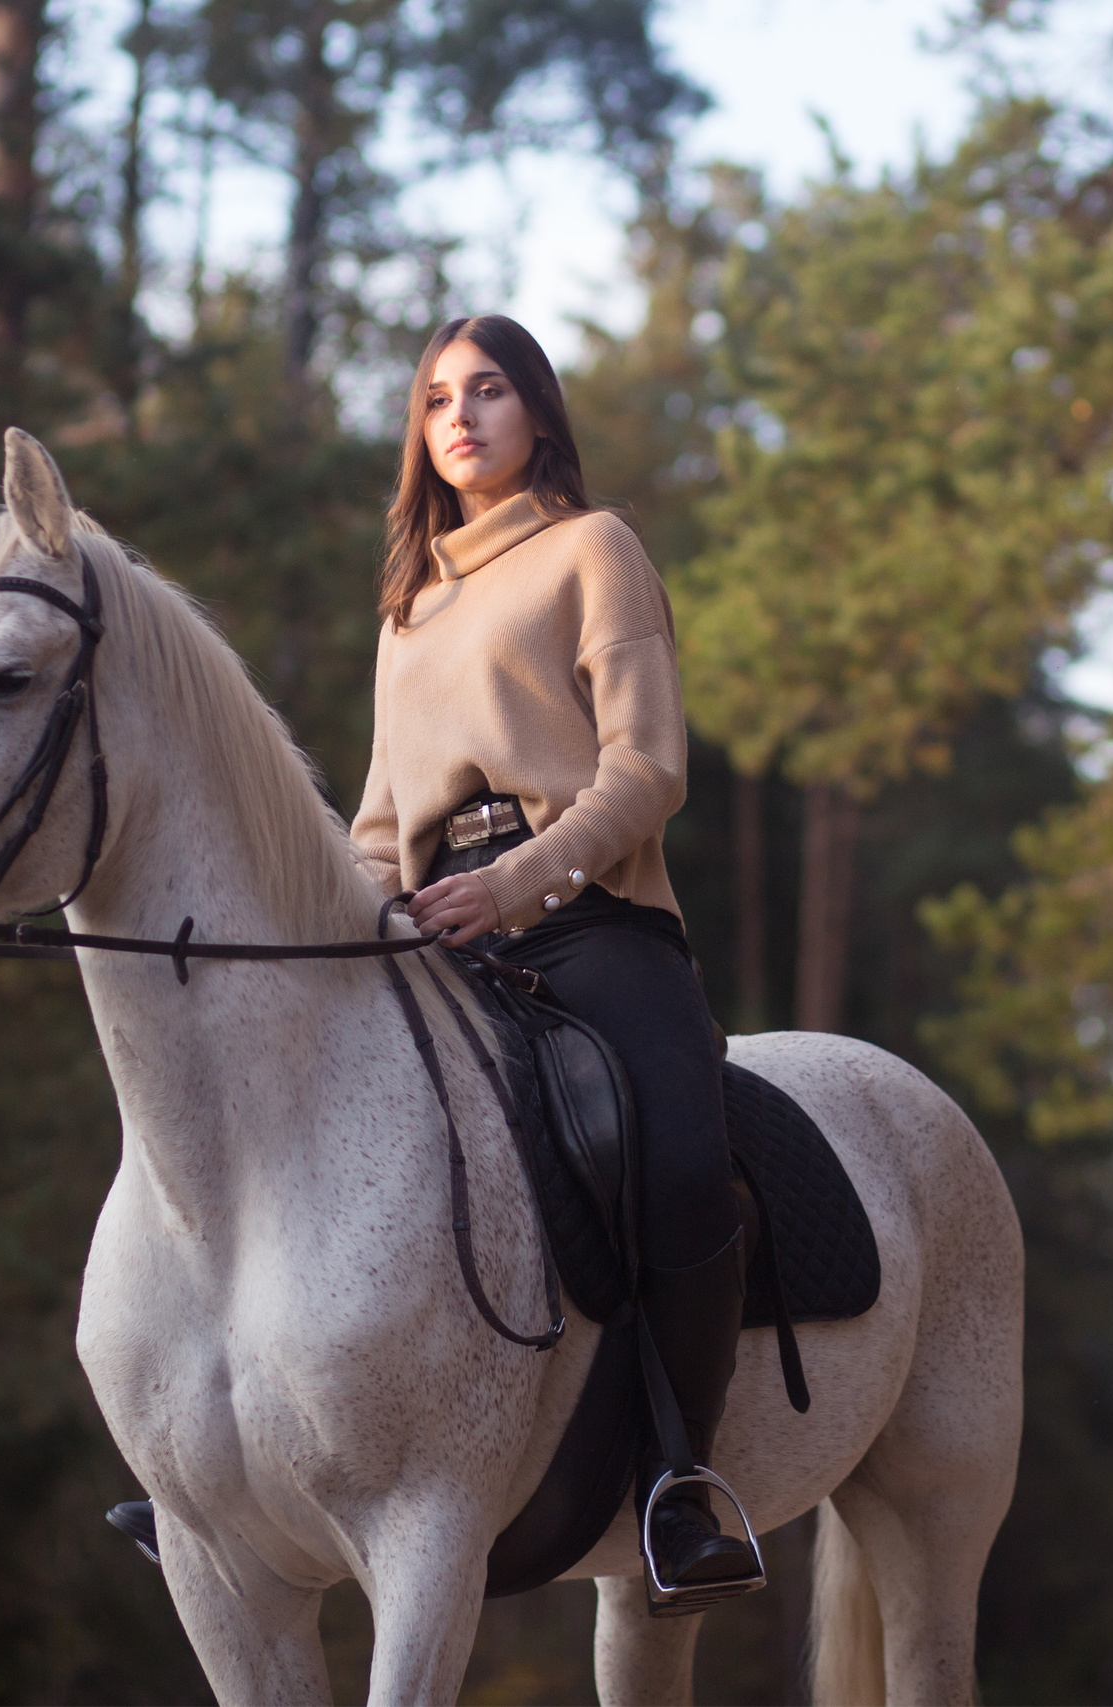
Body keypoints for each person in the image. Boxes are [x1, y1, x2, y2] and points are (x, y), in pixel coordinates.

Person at [353, 314, 758, 1602]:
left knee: (678, 1162)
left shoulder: (596, 549)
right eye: (436, 401)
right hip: (436, 932)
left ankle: (681, 1482)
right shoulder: (407, 609)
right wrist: (353, 924)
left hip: (592, 920)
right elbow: (380, 826)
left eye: (487, 391)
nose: (460, 417)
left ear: (536, 409)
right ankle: (227, 1462)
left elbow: (647, 769)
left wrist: (516, 884)